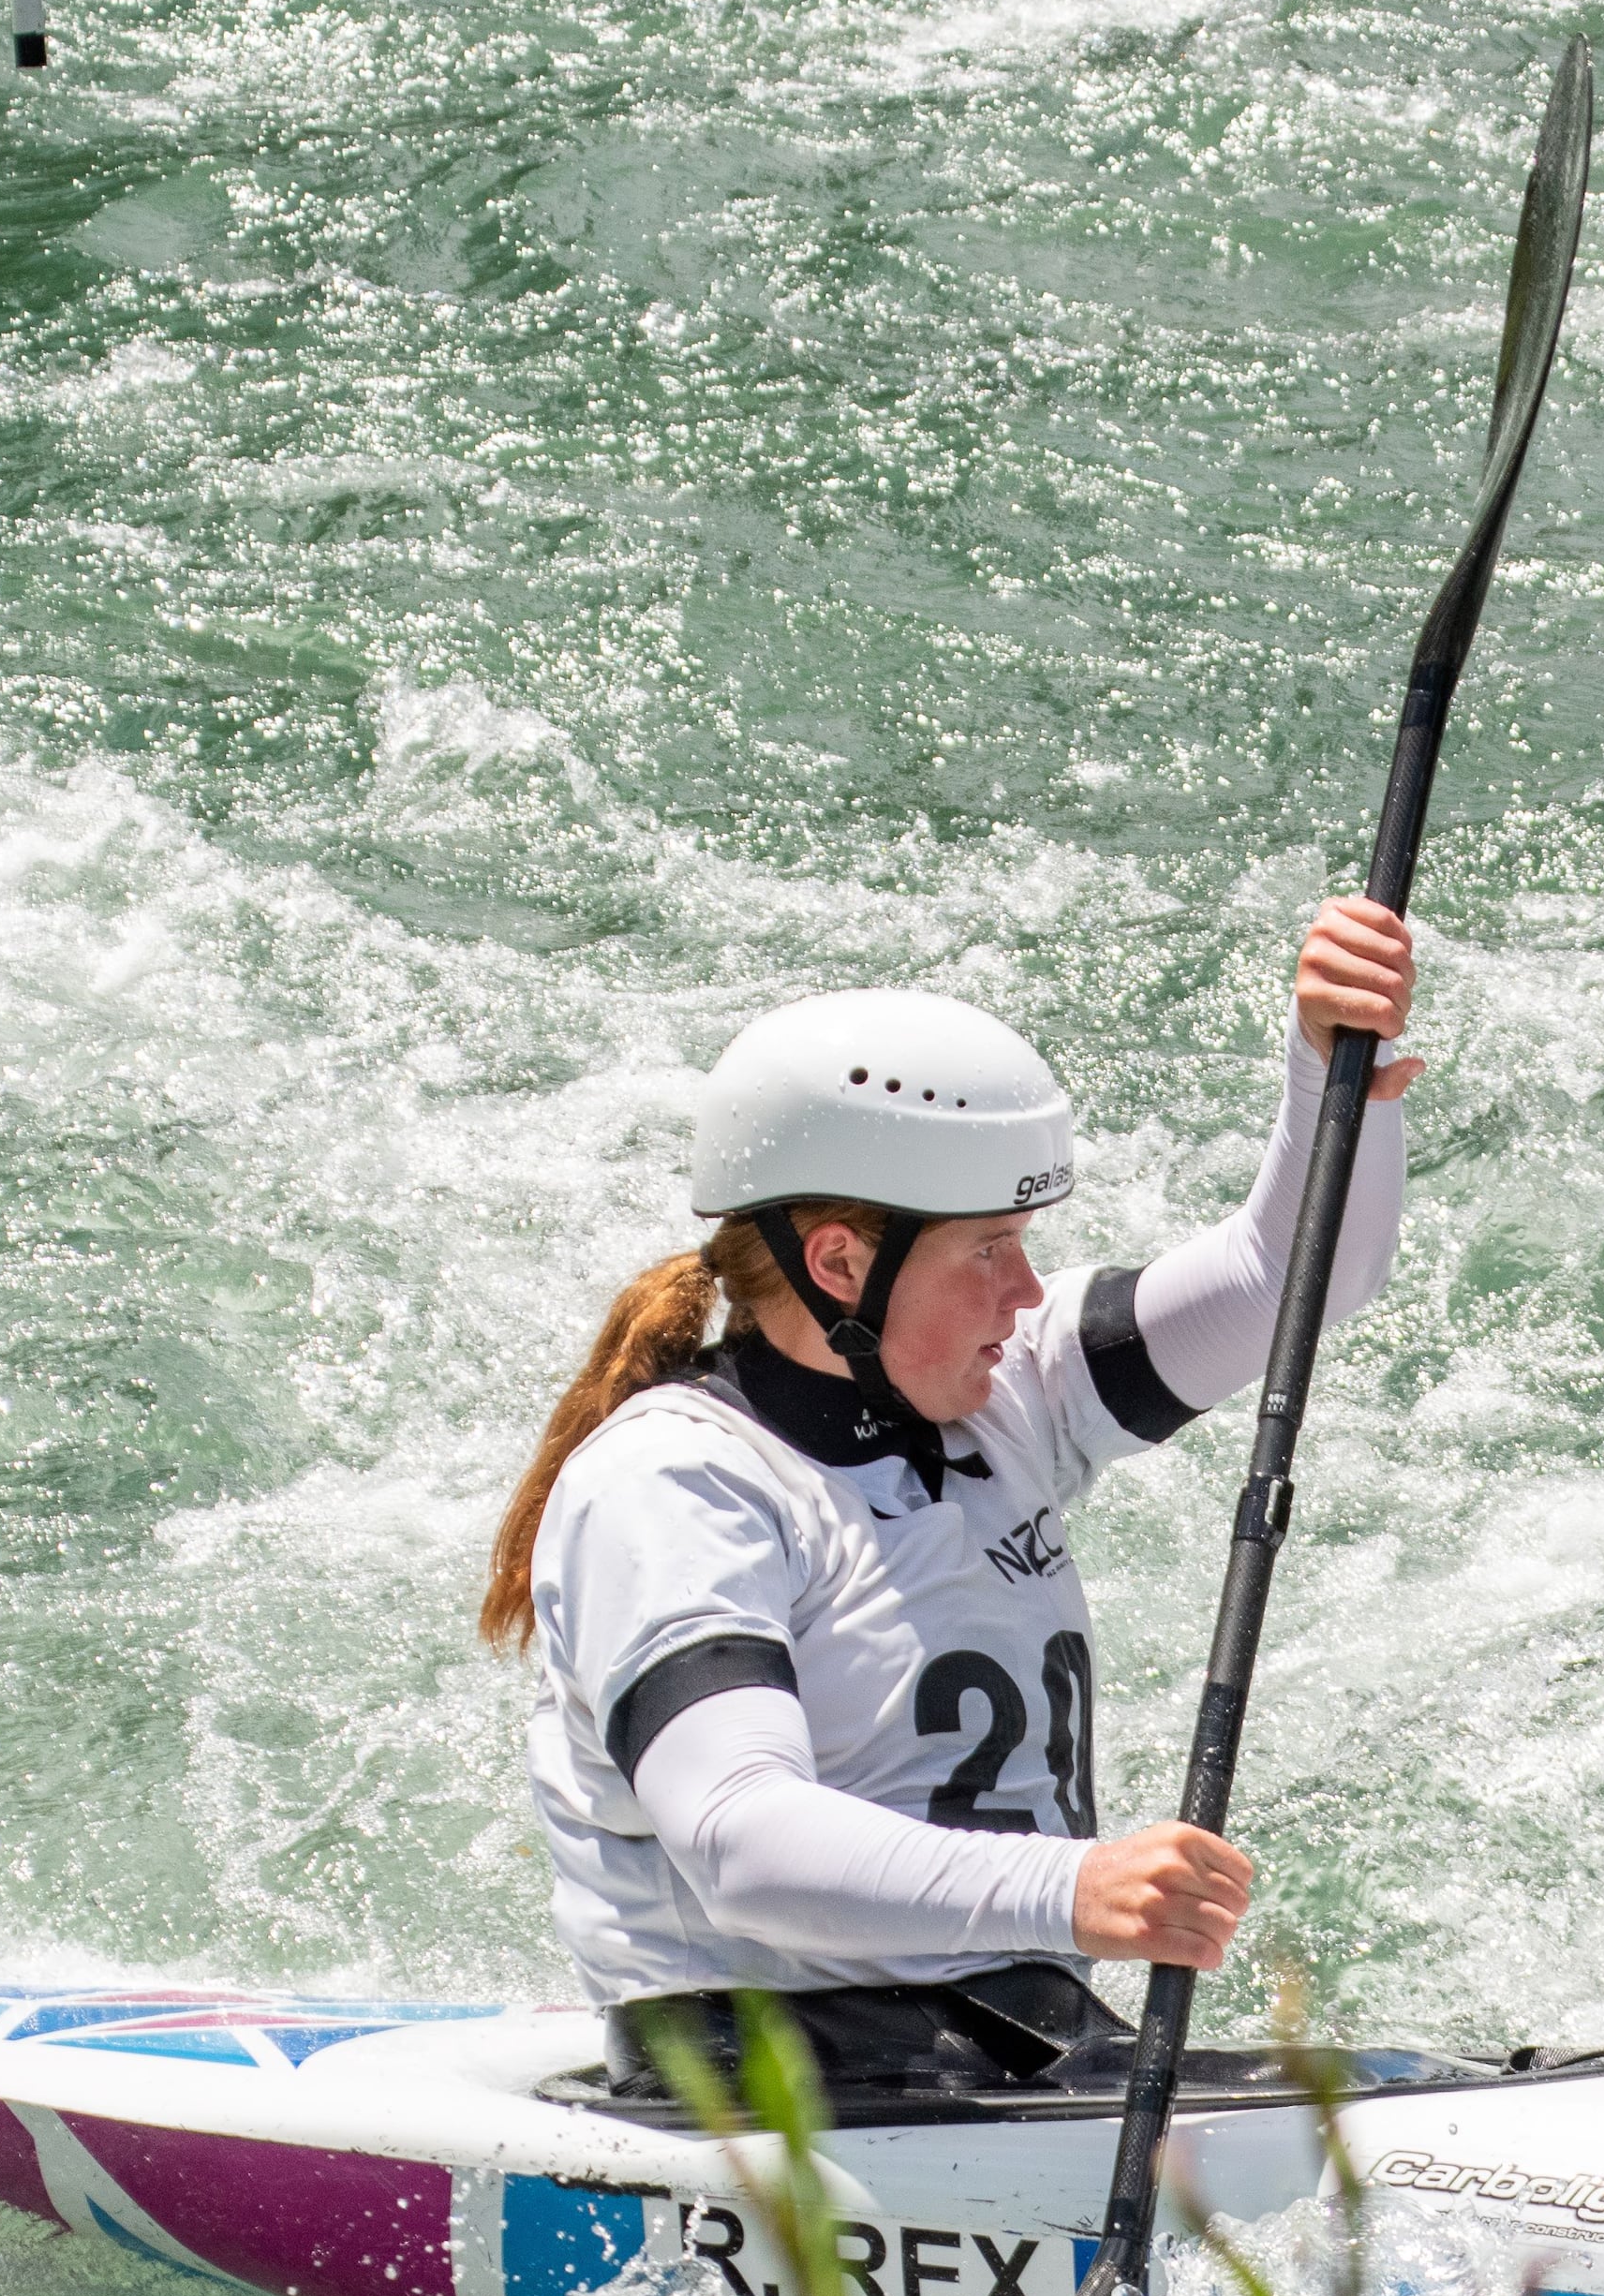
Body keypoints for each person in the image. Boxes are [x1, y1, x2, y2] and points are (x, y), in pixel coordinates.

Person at [482, 899, 1418, 2101]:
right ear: (836, 1265)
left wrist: (1328, 1062)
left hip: (1013, 2054)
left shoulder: (1007, 1400)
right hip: (768, 2087)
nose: (1025, 1292)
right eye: (987, 1250)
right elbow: (739, 1840)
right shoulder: (673, 1483)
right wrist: (1070, 1891)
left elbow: (1295, 1280)